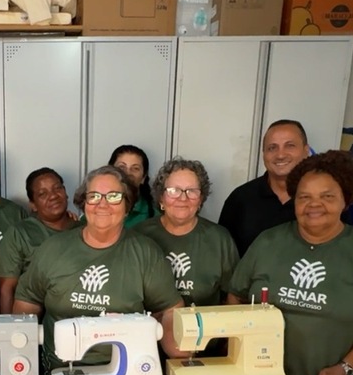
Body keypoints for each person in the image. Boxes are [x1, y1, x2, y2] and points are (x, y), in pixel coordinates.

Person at [229, 150, 353, 375]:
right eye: (304, 197)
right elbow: (236, 296)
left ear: (344, 200)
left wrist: (345, 368)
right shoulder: (267, 242)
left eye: (327, 196)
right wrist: (242, 353)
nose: (314, 204)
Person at [13, 165, 186, 374]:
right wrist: (23, 366)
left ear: (127, 205)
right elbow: (26, 304)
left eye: (113, 196)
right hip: (57, 372)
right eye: (94, 196)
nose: (102, 204)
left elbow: (170, 308)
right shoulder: (52, 249)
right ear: (84, 203)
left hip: (126, 373)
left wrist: (177, 348)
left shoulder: (145, 253)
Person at [135, 157, 239, 309]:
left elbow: (232, 297)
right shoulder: (140, 234)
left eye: (191, 191)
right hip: (150, 329)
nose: (183, 198)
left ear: (201, 199)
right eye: (174, 191)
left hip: (204, 329)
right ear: (161, 198)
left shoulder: (220, 239)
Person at [218, 119, 311, 257]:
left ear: (306, 151)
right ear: (263, 155)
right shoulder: (240, 199)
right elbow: (223, 257)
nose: (280, 155)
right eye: (272, 148)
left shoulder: (325, 200)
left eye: (290, 146)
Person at [0, 167, 79, 313]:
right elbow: (7, 288)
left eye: (57, 188)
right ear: (33, 205)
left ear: (65, 192)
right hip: (37, 319)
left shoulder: (85, 228)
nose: (53, 196)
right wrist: (10, 327)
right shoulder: (19, 233)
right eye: (42, 194)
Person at [109, 144, 156, 228]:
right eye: (122, 167)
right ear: (109, 172)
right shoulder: (95, 206)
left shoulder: (154, 213)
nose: (128, 173)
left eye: (135, 168)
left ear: (143, 177)